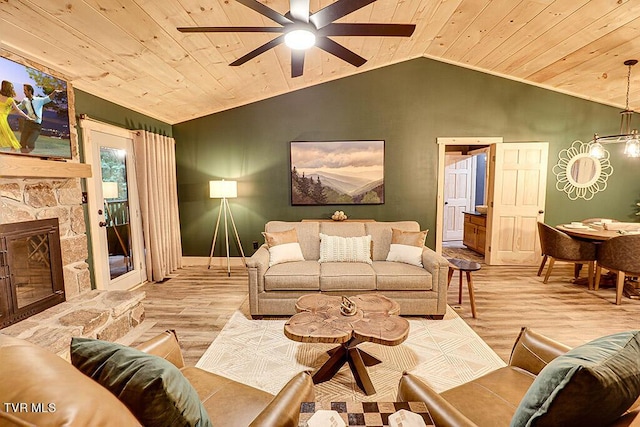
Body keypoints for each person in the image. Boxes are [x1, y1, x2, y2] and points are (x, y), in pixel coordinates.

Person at [17, 84, 62, 153]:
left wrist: (55, 92)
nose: (24, 92)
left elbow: (49, 98)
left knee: (30, 143)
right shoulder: (25, 101)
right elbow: (18, 107)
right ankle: (24, 156)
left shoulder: (39, 100)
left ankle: (29, 151)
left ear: (30, 91)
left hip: (36, 126)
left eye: (25, 90)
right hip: (27, 124)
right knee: (22, 143)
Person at [0, 80, 34, 150]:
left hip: (2, 119)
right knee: (9, 138)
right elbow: (18, 111)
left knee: (4, 136)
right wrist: (27, 117)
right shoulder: (10, 100)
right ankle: (12, 153)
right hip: (2, 120)